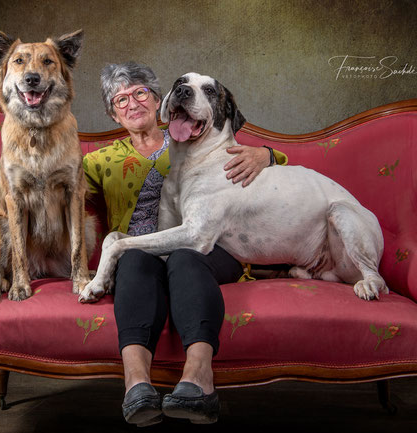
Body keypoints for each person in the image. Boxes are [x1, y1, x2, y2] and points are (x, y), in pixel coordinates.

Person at [83, 62, 287, 426]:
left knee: (185, 256)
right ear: (112, 113)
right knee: (132, 258)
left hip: (206, 251)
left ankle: (198, 379)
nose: (132, 104)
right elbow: (56, 191)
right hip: (141, 257)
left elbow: (276, 170)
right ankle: (137, 386)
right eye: (120, 99)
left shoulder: (194, 139)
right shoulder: (98, 160)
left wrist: (266, 154)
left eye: (141, 93)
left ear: (159, 100)